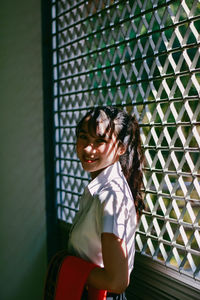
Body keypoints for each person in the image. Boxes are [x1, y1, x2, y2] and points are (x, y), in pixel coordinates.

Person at [67, 106, 145, 299]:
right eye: (83, 136)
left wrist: (66, 269)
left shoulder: (111, 196)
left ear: (120, 148)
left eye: (100, 140)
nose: (87, 148)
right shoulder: (99, 188)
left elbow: (117, 282)